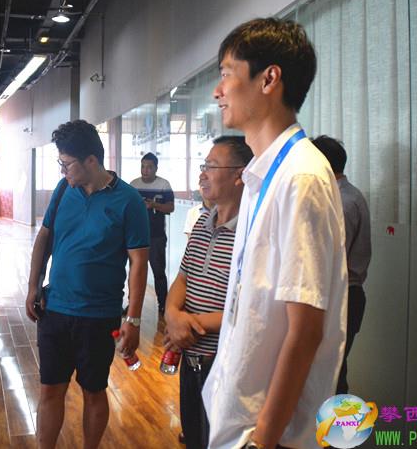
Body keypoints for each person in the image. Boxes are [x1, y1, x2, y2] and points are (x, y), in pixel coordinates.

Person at [203, 18, 348, 449]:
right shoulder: (262, 175)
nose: (217, 91)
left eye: (227, 73)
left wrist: (263, 439)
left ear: (269, 79)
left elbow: (305, 331)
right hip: (238, 417)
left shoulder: (301, 176)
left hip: (268, 435)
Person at [25, 120, 150, 449]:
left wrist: (133, 319)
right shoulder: (63, 190)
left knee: (94, 391)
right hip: (55, 310)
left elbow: (139, 263)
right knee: (50, 389)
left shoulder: (129, 201)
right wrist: (33, 285)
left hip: (98, 316)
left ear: (91, 161)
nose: (62, 170)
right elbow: (45, 237)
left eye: (67, 164)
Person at [165, 135, 253, 449]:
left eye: (212, 166)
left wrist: (190, 325)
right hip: (190, 357)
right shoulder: (203, 222)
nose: (202, 174)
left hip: (225, 362)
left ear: (240, 175)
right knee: (193, 435)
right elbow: (183, 277)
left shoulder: (252, 233)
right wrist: (171, 315)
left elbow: (250, 307)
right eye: (203, 166)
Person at [311, 135, 371, 395]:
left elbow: (330, 260)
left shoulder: (341, 203)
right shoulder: (342, 196)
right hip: (340, 294)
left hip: (341, 296)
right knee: (330, 372)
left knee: (331, 374)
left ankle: (336, 422)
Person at [130, 152, 175, 314]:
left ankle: (163, 305)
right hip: (136, 237)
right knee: (135, 272)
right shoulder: (133, 185)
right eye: (143, 166)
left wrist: (154, 205)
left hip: (156, 236)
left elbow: (170, 207)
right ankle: (132, 306)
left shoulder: (164, 184)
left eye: (149, 167)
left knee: (158, 272)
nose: (145, 170)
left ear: (156, 168)